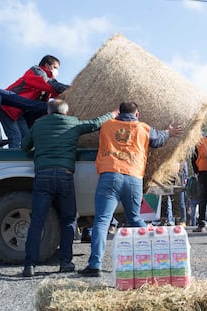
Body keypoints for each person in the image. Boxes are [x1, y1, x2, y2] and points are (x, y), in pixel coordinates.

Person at [78, 101, 182, 277]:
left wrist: (111, 115)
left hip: (109, 176)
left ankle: (95, 266)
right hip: (133, 177)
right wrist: (169, 132)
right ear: (137, 114)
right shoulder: (143, 128)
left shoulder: (107, 125)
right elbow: (158, 140)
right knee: (135, 219)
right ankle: (158, 258)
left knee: (102, 222)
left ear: (119, 113)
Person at [21, 99, 118, 277]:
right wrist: (112, 114)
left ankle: (29, 265)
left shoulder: (38, 124)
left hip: (42, 176)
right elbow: (95, 123)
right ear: (65, 113)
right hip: (64, 176)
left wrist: (40, 151)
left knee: (37, 221)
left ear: (48, 112)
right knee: (68, 220)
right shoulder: (73, 123)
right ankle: (65, 262)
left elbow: (24, 146)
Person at [0, 55, 69, 148]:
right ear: (47, 65)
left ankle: (23, 158)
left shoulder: (47, 82)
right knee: (15, 136)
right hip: (8, 107)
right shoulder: (36, 71)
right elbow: (48, 84)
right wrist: (72, 88)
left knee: (26, 136)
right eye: (55, 67)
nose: (57, 71)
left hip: (18, 112)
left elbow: (56, 93)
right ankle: (15, 161)